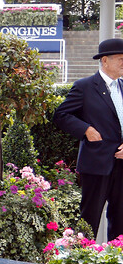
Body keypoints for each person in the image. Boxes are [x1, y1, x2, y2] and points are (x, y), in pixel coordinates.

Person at [53, 37, 123, 240]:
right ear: (105, 61)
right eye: (120, 59)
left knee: (121, 219)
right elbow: (61, 115)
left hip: (121, 165)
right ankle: (83, 262)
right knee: (89, 219)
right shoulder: (84, 87)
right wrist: (86, 130)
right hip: (96, 164)